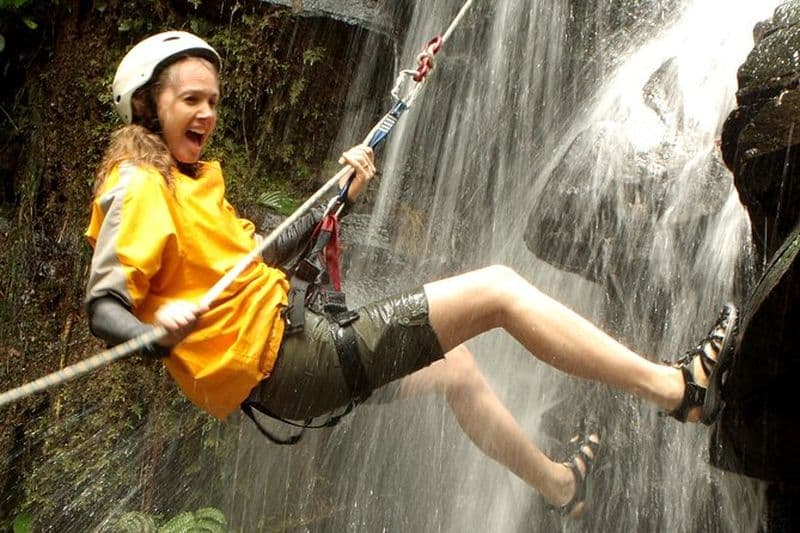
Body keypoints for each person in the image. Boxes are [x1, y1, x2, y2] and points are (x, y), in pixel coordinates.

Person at [84, 31, 738, 518]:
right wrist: (156, 327)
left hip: (290, 357)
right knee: (499, 291)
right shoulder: (138, 181)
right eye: (189, 100)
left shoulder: (189, 185)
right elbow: (104, 306)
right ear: (145, 105)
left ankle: (562, 486)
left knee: (457, 370)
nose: (206, 113)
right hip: (294, 360)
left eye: (212, 101)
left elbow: (258, 266)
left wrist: (341, 195)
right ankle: (678, 387)